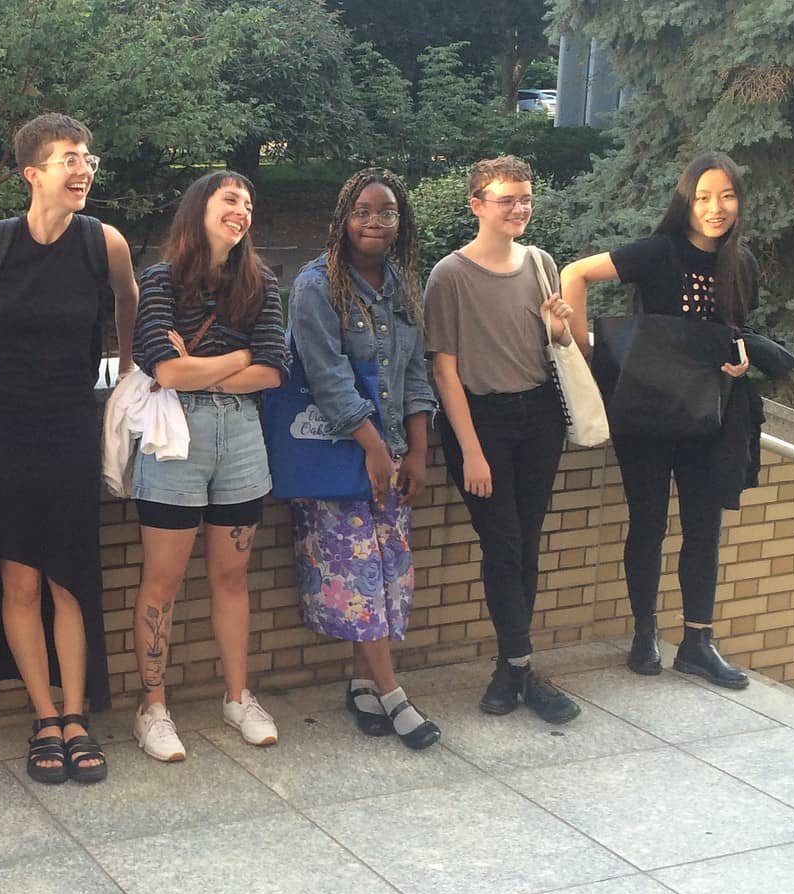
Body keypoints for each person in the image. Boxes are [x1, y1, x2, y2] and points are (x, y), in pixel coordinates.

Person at [0, 113, 140, 785]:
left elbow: (129, 300)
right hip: (0, 425)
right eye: (68, 159)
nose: (82, 170)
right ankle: (44, 718)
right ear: (32, 173)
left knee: (69, 575)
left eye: (87, 158)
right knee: (17, 577)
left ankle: (77, 717)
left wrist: (129, 371)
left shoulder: (103, 244)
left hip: (71, 422)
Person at [560, 153, 762, 688]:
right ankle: (644, 632)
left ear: (739, 200)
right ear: (686, 202)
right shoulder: (658, 252)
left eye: (726, 196)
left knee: (705, 527)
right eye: (702, 197)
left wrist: (741, 359)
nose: (715, 208)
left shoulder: (742, 264)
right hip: (647, 411)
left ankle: (698, 642)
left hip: (708, 412)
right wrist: (583, 357)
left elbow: (735, 329)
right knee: (648, 522)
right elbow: (574, 273)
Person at [127, 170, 288, 760]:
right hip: (176, 438)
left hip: (242, 439)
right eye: (230, 199)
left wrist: (211, 359)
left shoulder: (261, 283)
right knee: (162, 581)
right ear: (200, 208)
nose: (241, 210)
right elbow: (164, 371)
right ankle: (153, 706)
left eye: (248, 202)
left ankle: (237, 695)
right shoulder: (162, 279)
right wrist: (236, 358)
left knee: (231, 577)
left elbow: (273, 369)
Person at [286, 168, 445, 748]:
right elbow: (328, 380)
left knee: (386, 578)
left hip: (394, 458)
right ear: (342, 219)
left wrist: (417, 454)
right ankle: (394, 695)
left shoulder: (405, 286)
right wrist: (375, 449)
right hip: (338, 460)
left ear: (401, 222)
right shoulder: (316, 286)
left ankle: (360, 686)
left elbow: (416, 374)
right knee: (359, 579)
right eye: (362, 211)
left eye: (387, 213)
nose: (375, 222)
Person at [423, 156, 582, 724]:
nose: (519, 208)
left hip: (539, 416)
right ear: (477, 205)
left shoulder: (541, 263)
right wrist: (469, 449)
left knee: (528, 543)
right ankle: (521, 667)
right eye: (506, 199)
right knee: (503, 544)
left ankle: (512, 667)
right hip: (482, 420)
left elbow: (555, 347)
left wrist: (557, 324)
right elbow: (445, 370)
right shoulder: (449, 275)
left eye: (525, 198)